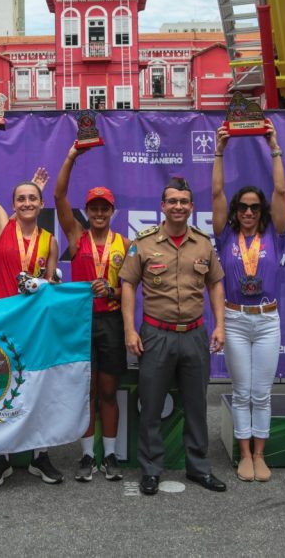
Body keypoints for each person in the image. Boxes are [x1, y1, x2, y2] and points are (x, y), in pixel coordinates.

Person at [120, 176, 227, 496]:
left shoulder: (203, 243)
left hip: (194, 335)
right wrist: (129, 328)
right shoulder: (144, 242)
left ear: (192, 207)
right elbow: (128, 284)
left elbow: (215, 283)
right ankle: (151, 470)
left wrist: (220, 324)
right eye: (172, 201)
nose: (178, 206)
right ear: (163, 206)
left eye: (184, 202)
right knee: (150, 406)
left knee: (197, 405)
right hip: (156, 335)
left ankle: (199, 467)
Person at [0, 125, 61, 487]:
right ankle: (1, 458)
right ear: (13, 204)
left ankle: (41, 456)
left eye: (32, 198)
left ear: (41, 204)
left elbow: (53, 287)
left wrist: (48, 283)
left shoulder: (51, 241)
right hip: (2, 321)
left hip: (35, 325)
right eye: (21, 198)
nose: (26, 203)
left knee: (38, 389)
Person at [211, 122, 285, 483]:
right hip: (236, 319)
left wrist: (274, 146)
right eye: (242, 206)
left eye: (254, 207)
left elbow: (281, 191)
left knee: (262, 392)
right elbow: (215, 195)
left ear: (262, 211)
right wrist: (219, 151)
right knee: (242, 392)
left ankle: (260, 454)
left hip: (268, 320)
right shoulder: (225, 236)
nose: (248, 212)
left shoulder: (275, 234)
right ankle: (244, 455)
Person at [53, 146, 129, 483]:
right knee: (87, 392)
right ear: (86, 210)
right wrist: (70, 156)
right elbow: (58, 195)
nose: (99, 212)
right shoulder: (75, 237)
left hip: (111, 321)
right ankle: (86, 457)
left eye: (104, 208)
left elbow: (130, 288)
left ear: (112, 211)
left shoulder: (125, 245)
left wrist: (110, 291)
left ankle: (110, 455)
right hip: (81, 324)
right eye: (94, 207)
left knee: (109, 391)